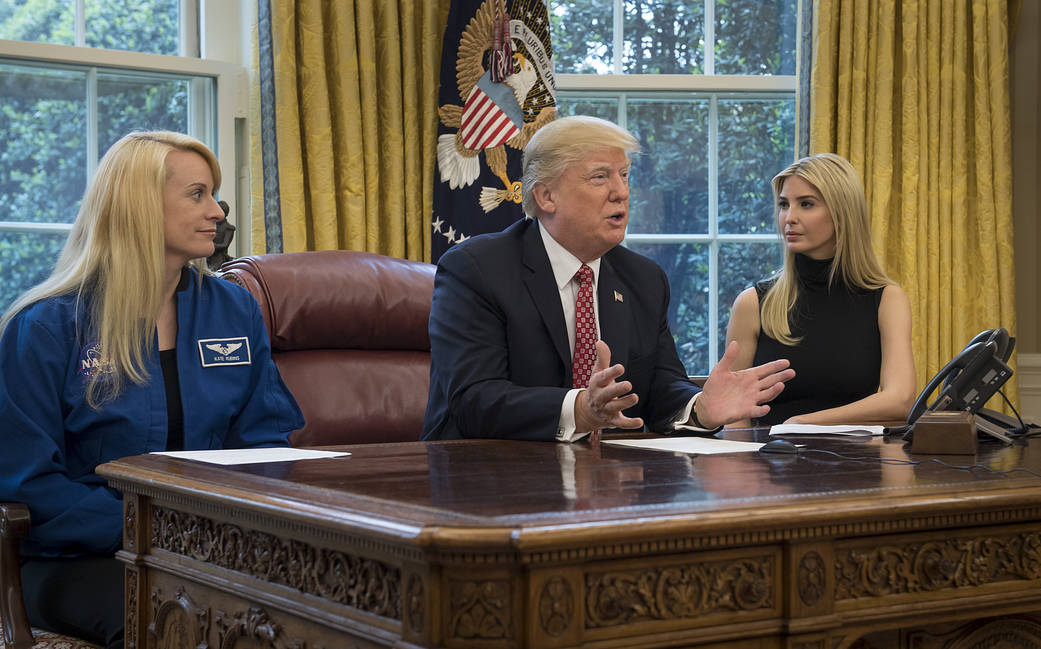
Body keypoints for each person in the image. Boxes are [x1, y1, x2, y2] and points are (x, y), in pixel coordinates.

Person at [0, 131, 304, 648]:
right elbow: (26, 487)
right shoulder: (47, 326)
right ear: (138, 206)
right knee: (182, 625)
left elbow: (264, 446)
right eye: (197, 194)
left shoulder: (234, 309)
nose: (217, 212)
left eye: (215, 195)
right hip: (74, 560)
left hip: (205, 549)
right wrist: (158, 529)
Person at [421, 115, 794, 442]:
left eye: (625, 175)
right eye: (600, 177)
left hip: (608, 483)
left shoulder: (643, 280)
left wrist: (699, 408)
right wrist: (579, 409)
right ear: (547, 195)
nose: (622, 192)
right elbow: (474, 400)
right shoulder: (477, 269)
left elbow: (660, 389)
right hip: (488, 481)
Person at [725, 153, 916, 426]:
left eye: (806, 204)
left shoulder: (887, 299)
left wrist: (801, 424)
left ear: (842, 212)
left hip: (859, 463)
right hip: (768, 461)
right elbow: (735, 419)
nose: (789, 217)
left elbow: (901, 400)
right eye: (783, 205)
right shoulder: (752, 303)